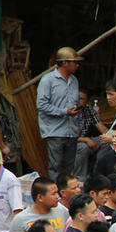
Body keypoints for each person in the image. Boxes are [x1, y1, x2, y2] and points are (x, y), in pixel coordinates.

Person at [37, 47, 82, 178]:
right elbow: (41, 105)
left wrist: (79, 124)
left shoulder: (74, 81)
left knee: (68, 168)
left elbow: (77, 104)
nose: (77, 65)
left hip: (71, 131)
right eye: (74, 62)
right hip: (55, 130)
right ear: (65, 63)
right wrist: (64, 112)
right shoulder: (47, 80)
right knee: (55, 167)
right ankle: (54, 196)